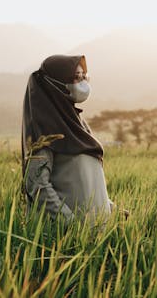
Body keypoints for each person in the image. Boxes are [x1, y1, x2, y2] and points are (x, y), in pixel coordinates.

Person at [22, 55, 114, 224]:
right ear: (55, 83)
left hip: (92, 234)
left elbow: (84, 180)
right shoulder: (45, 130)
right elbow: (37, 185)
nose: (82, 83)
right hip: (64, 238)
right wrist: (70, 223)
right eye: (75, 77)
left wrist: (108, 207)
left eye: (84, 76)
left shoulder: (77, 124)